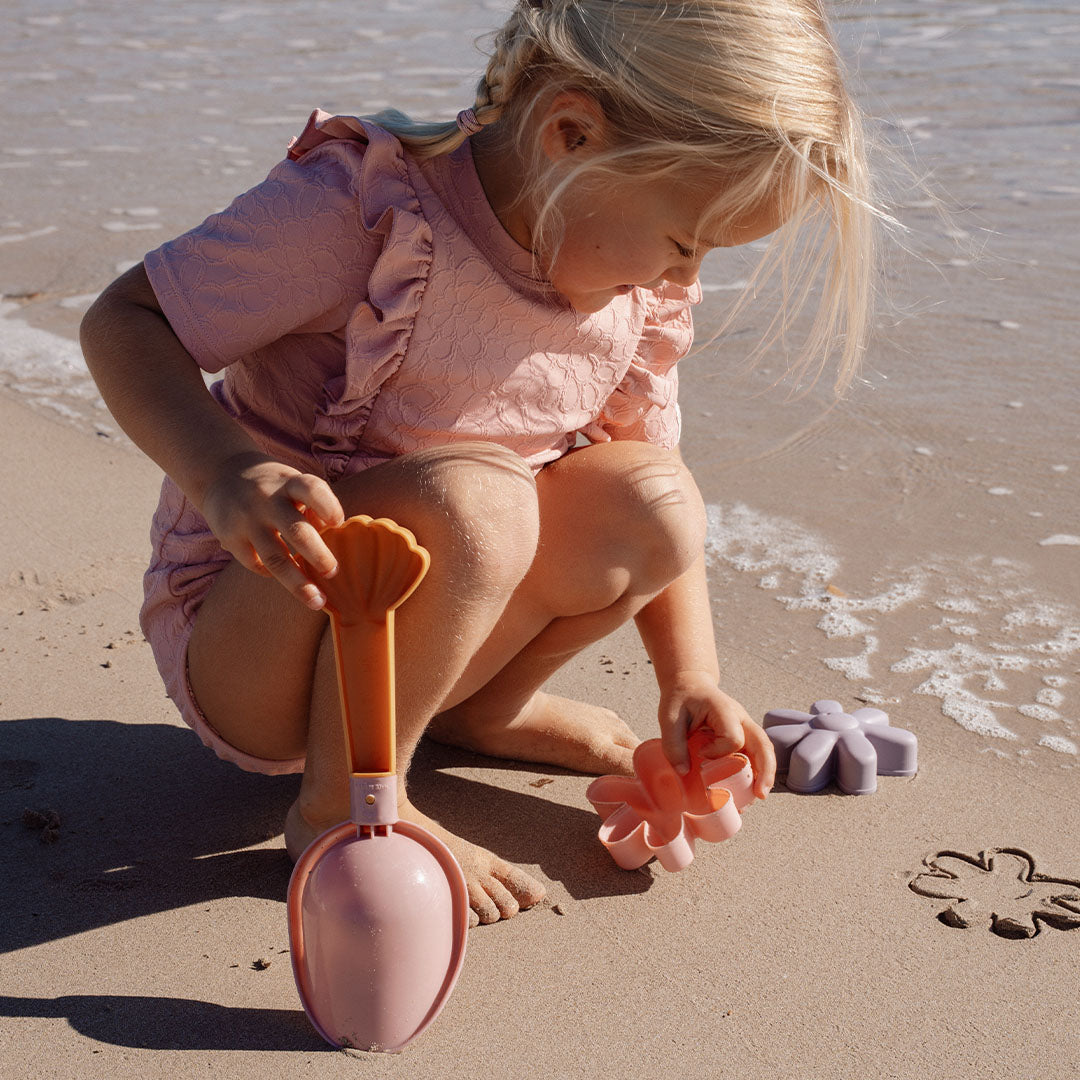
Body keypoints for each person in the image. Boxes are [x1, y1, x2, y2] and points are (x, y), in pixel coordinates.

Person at [81, 0, 878, 927]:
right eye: (683, 242)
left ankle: (478, 712)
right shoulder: (367, 211)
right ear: (572, 133)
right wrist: (222, 471)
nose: (680, 280)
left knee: (655, 499)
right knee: (479, 499)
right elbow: (127, 321)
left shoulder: (635, 292)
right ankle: (341, 803)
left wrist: (688, 677)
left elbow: (651, 469)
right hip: (261, 631)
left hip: (437, 631)